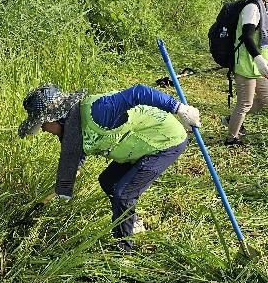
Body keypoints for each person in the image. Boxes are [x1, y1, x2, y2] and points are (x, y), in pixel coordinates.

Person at [18, 82, 200, 252]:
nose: (42, 129)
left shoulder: (98, 111)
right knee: (108, 181)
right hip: (138, 147)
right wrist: (62, 185)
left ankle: (124, 250)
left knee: (124, 193)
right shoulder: (71, 129)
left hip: (164, 141)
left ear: (55, 117)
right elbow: (76, 158)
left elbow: (139, 92)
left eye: (42, 123)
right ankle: (131, 222)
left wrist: (180, 109)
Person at [225, 0, 268, 145]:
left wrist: (264, 62)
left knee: (267, 99)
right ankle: (231, 138)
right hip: (246, 65)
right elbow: (247, 37)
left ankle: (232, 118)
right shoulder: (252, 7)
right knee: (245, 104)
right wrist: (258, 59)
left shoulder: (264, 7)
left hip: (259, 66)